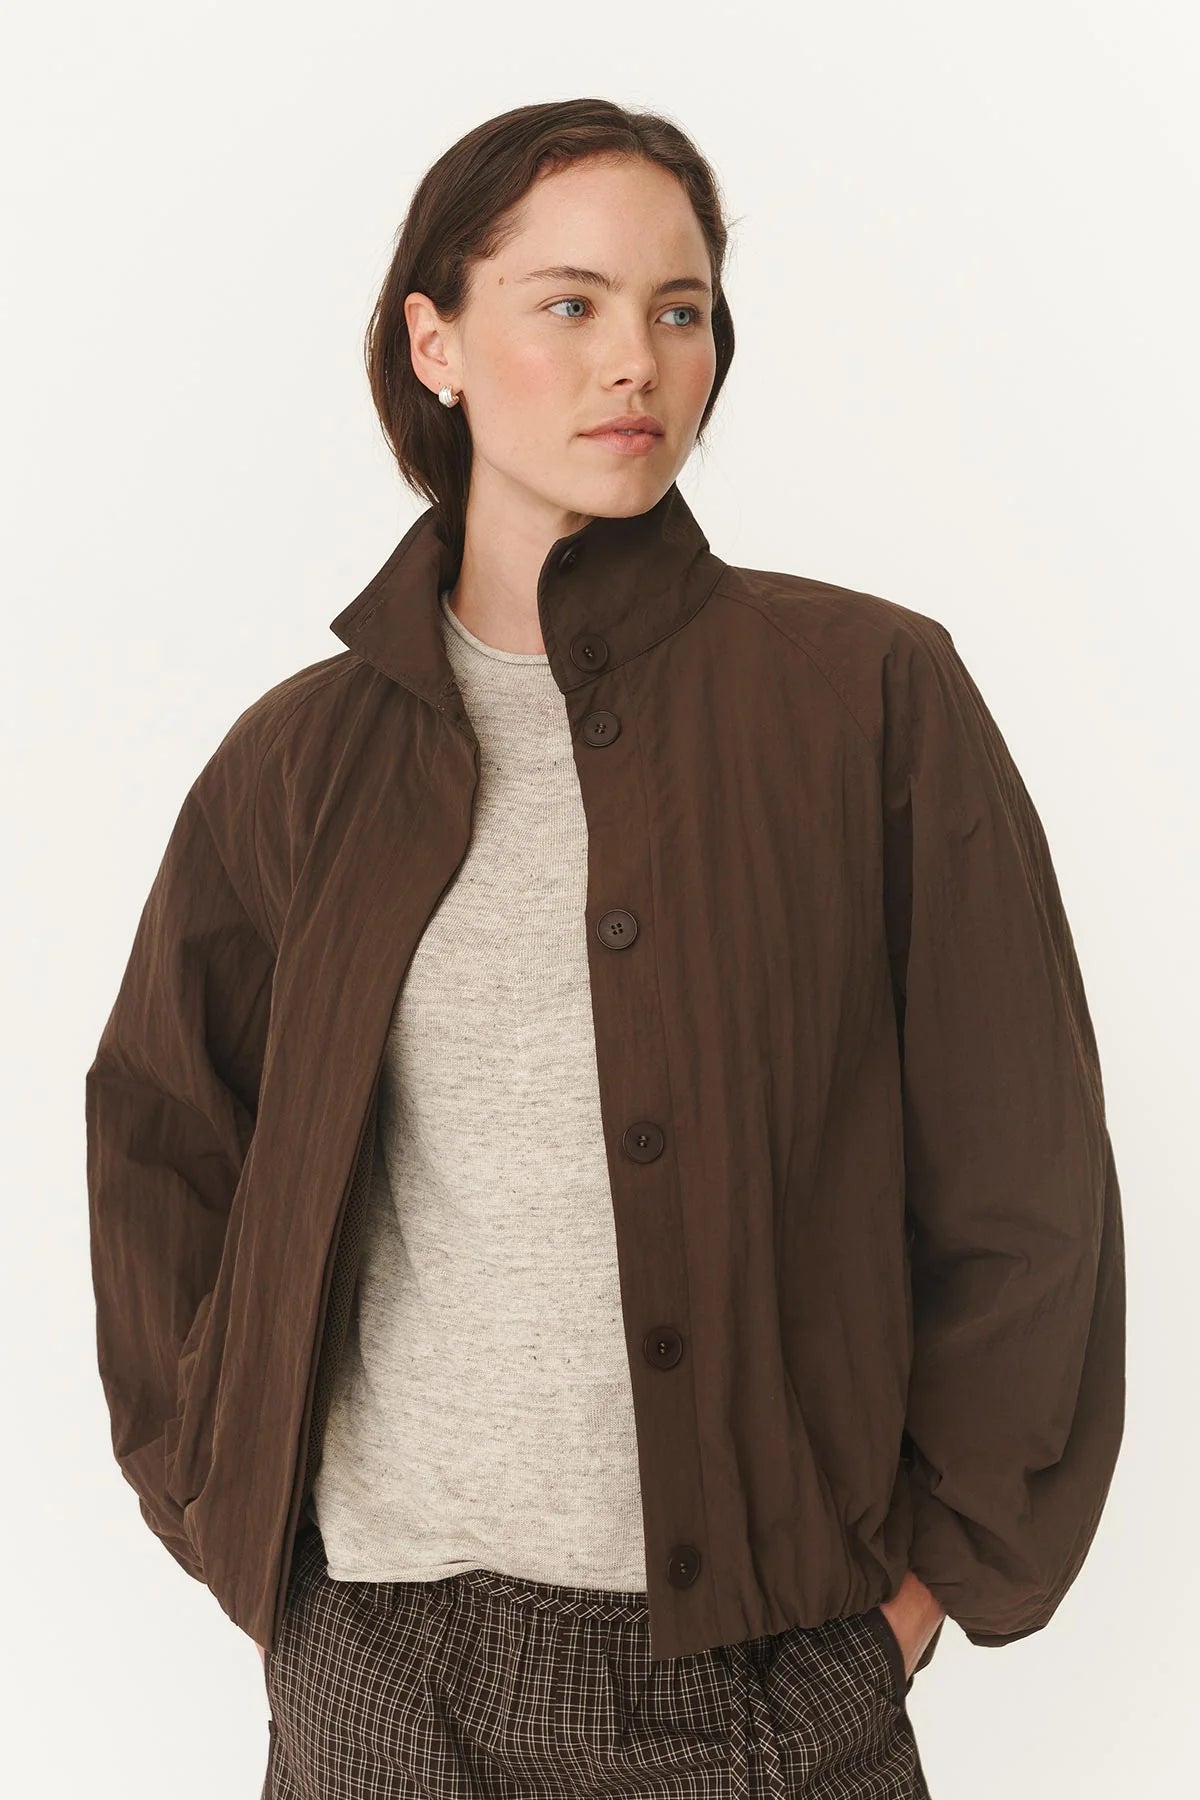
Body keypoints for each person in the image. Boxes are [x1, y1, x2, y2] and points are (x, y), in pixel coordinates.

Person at [86, 98, 1125, 1800]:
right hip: (373, 1676)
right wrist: (225, 1508)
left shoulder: (868, 699)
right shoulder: (304, 760)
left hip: (764, 1682)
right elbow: (162, 1138)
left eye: (679, 308)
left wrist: (925, 1596)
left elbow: (1025, 1179)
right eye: (568, 303)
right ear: (435, 342)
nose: (635, 360)